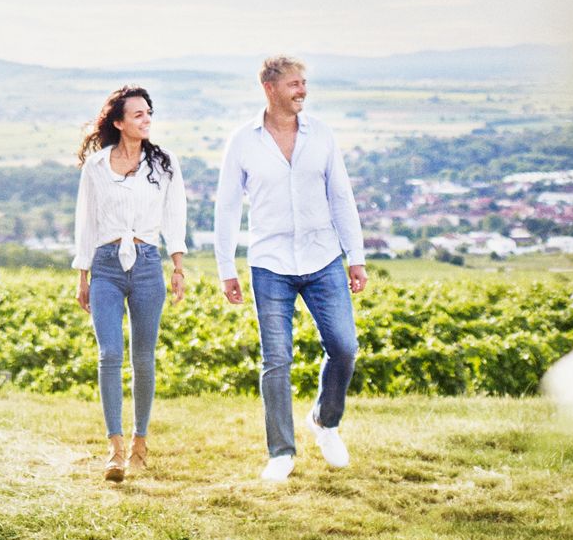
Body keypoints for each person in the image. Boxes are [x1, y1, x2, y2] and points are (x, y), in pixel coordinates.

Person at [215, 55, 366, 483]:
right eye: (294, 84)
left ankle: (325, 420)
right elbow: (226, 207)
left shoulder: (322, 135)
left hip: (323, 259)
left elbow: (341, 196)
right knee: (276, 359)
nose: (302, 91)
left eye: (304, 84)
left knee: (344, 347)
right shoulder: (243, 141)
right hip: (270, 264)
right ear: (270, 88)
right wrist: (226, 266)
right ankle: (281, 451)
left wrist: (355, 256)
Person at [71, 84, 187, 482]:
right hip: (104, 265)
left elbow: (175, 214)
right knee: (109, 354)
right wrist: (82, 274)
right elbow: (85, 222)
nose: (146, 119)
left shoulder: (165, 163)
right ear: (119, 122)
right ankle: (115, 447)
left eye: (148, 113)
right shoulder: (97, 167)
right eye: (137, 114)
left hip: (148, 264)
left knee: (143, 358)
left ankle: (141, 440)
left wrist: (178, 266)